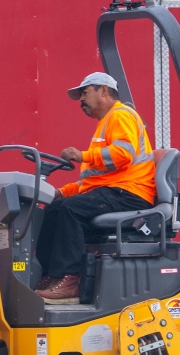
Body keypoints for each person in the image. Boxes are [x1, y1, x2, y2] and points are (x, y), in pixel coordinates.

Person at [34, 72, 155, 302]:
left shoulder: (120, 115)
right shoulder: (105, 124)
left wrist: (82, 155)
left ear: (104, 91)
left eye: (85, 93)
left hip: (129, 192)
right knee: (54, 208)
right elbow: (93, 181)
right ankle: (51, 276)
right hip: (113, 190)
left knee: (72, 210)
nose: (81, 100)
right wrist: (61, 192)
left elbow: (123, 155)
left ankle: (69, 281)